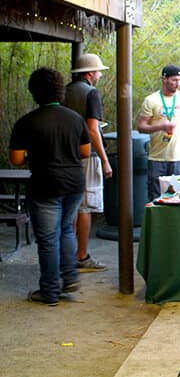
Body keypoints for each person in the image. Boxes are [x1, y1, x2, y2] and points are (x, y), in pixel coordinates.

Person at [9, 67, 91, 305]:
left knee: (47, 239)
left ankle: (50, 291)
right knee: (66, 229)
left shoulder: (26, 122)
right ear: (59, 90)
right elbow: (85, 152)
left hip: (45, 184)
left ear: (34, 92)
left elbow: (15, 159)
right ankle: (70, 276)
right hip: (74, 183)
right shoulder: (75, 118)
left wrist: (33, 156)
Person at [65, 53, 112, 272]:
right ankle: (81, 256)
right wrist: (105, 160)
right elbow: (93, 129)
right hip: (87, 155)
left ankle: (68, 253)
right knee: (86, 206)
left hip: (66, 154)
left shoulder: (65, 91)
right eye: (99, 71)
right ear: (90, 73)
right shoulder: (91, 94)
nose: (101, 75)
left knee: (72, 206)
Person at [137, 65, 180, 201]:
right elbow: (141, 127)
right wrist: (160, 127)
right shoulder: (151, 100)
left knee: (179, 195)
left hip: (178, 157)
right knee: (156, 196)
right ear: (164, 79)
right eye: (174, 80)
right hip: (157, 158)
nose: (178, 84)